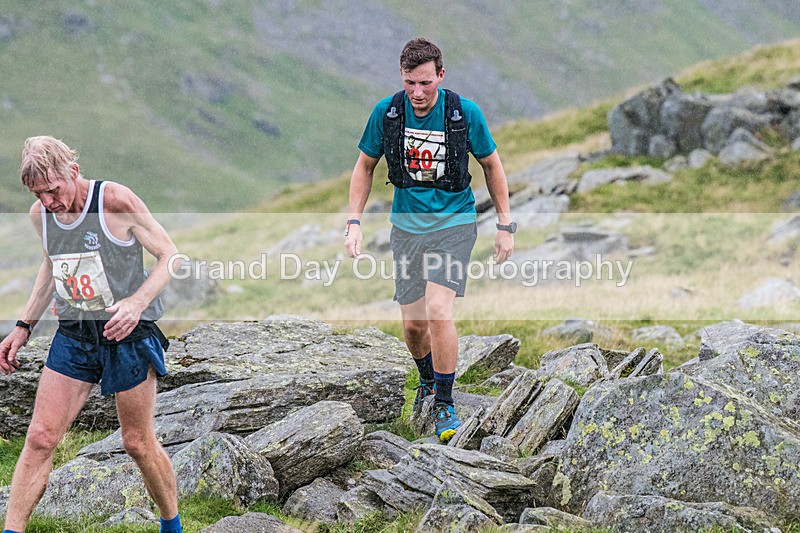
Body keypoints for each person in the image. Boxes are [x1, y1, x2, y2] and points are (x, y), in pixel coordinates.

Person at [0, 136, 183, 533]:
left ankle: (173, 525)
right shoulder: (41, 215)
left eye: (54, 190)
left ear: (73, 172)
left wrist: (136, 304)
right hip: (75, 335)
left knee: (136, 442)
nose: (48, 202)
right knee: (40, 437)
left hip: (128, 335)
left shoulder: (115, 200)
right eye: (38, 193)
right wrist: (23, 325)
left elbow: (170, 256)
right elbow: (52, 265)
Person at [344, 38, 515, 442]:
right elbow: (365, 166)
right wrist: (353, 221)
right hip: (406, 230)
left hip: (455, 224)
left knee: (439, 308)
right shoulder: (387, 114)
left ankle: (444, 403)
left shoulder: (464, 113)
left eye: (425, 83)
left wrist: (505, 226)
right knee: (413, 326)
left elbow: (492, 165)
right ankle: (425, 380)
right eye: (409, 83)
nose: (418, 93)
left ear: (441, 75)